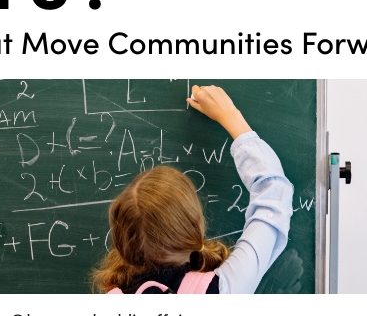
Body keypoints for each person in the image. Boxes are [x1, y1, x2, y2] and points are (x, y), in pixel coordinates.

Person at [93, 84, 293, 294]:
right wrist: (231, 117)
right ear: (195, 226)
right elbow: (274, 193)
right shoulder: (221, 290)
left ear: (120, 240)